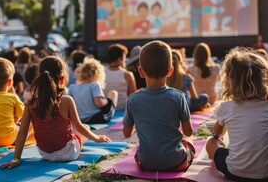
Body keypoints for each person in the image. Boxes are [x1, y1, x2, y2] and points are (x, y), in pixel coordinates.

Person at [0, 56, 111, 169]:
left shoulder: (30, 103)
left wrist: (16, 159)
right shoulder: (66, 101)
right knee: (85, 127)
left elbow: (22, 134)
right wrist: (97, 138)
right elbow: (79, 127)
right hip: (68, 153)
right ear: (62, 79)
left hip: (45, 154)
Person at [205, 47, 268, 181]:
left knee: (211, 142)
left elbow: (217, 133)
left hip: (235, 172)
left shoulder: (226, 107)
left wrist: (218, 133)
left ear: (229, 81)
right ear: (264, 80)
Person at [123, 41, 195, 171]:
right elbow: (188, 131)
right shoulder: (178, 97)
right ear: (170, 71)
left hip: (146, 163)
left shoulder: (133, 100)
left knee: (140, 150)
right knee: (189, 140)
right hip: (177, 163)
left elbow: (126, 133)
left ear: (141, 71)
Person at [68, 57, 118, 124]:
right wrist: (108, 100)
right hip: (95, 118)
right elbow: (99, 103)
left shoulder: (72, 87)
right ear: (98, 74)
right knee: (113, 93)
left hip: (79, 119)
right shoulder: (94, 85)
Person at [104, 44, 136, 110]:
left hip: (106, 111)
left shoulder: (101, 72)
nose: (125, 60)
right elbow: (133, 97)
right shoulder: (128, 75)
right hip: (123, 111)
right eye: (124, 57)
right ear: (120, 59)